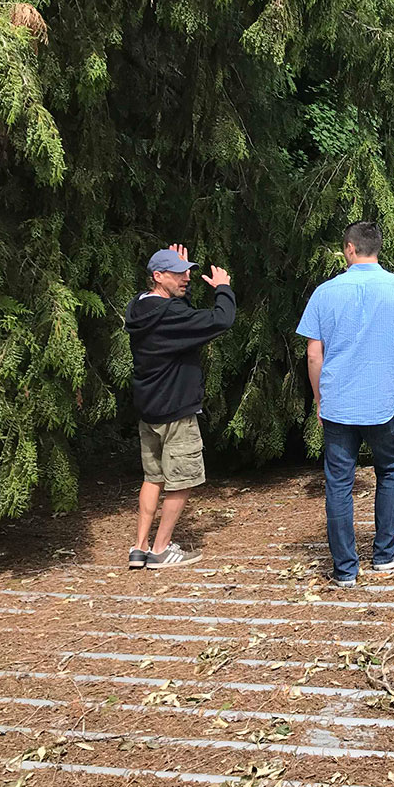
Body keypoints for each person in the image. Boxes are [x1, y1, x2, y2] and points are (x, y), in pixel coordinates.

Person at [297, 222, 394, 585]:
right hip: (385, 403)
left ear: (349, 249)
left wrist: (320, 400)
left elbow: (313, 356)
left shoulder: (324, 293)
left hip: (338, 405)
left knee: (338, 483)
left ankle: (345, 571)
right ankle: (385, 554)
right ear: (377, 249)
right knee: (388, 472)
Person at [123, 244, 235, 569]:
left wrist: (180, 290)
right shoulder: (171, 315)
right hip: (176, 413)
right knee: (182, 481)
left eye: (187, 271)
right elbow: (220, 320)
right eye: (178, 273)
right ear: (158, 276)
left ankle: (139, 547)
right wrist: (223, 288)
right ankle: (160, 550)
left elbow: (177, 316)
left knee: (152, 478)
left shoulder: (141, 308)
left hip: (150, 411)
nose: (187, 277)